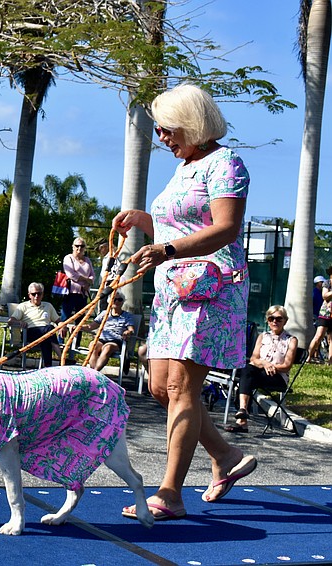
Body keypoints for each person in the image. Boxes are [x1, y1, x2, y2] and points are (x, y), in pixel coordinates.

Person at [113, 84, 256, 521]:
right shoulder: (185, 166)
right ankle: (226, 456)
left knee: (181, 388)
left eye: (167, 128)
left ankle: (171, 493)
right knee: (159, 386)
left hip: (212, 289)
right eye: (158, 128)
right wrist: (148, 224)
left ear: (193, 124)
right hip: (175, 289)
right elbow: (184, 225)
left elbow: (226, 228)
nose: (160, 136)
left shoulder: (226, 162)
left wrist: (169, 249)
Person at [225, 305, 298, 434]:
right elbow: (254, 359)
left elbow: (287, 366)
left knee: (246, 375)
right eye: (271, 318)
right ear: (267, 321)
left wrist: (271, 366)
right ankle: (242, 412)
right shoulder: (263, 336)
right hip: (259, 373)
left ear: (285, 321)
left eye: (278, 319)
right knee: (248, 370)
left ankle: (242, 420)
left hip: (277, 377)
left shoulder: (291, 340)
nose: (274, 321)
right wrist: (265, 363)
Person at [7, 282, 63, 365]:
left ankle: (48, 367)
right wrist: (19, 322)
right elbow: (10, 321)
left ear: (42, 294)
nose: (36, 296)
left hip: (45, 334)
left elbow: (58, 321)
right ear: (29, 295)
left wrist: (62, 326)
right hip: (29, 332)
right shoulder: (23, 306)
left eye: (39, 293)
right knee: (49, 329)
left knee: (46, 339)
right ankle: (62, 359)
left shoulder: (48, 306)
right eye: (34, 294)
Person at [84, 291, 136, 372]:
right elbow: (91, 326)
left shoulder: (127, 316)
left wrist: (128, 332)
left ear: (123, 301)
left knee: (108, 348)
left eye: (120, 299)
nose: (117, 301)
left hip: (116, 341)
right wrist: (78, 327)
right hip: (101, 339)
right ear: (109, 301)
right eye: (114, 299)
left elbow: (131, 329)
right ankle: (92, 373)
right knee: (93, 345)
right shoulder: (104, 313)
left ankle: (95, 373)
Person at [61, 237, 95, 321]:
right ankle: (61, 334)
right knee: (65, 318)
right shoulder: (68, 258)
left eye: (82, 246)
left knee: (80, 319)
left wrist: (88, 284)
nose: (79, 248)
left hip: (83, 294)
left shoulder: (87, 260)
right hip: (70, 293)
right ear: (73, 246)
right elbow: (71, 274)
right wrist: (87, 279)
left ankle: (77, 334)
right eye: (77, 245)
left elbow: (92, 275)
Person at [308, 266, 332, 362]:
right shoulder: (327, 283)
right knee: (318, 336)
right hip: (325, 314)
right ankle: (309, 357)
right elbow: (325, 296)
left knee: (331, 340)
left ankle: (330, 361)